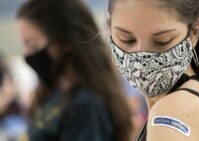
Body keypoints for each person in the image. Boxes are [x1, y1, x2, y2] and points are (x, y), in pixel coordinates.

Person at [107, 0, 199, 140]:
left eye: (162, 41)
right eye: (126, 39)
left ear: (194, 32)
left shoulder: (169, 114)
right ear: (109, 28)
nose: (140, 59)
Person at [16, 0, 131, 141]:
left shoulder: (86, 106)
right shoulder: (55, 93)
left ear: (64, 41)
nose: (27, 54)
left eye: (32, 45)